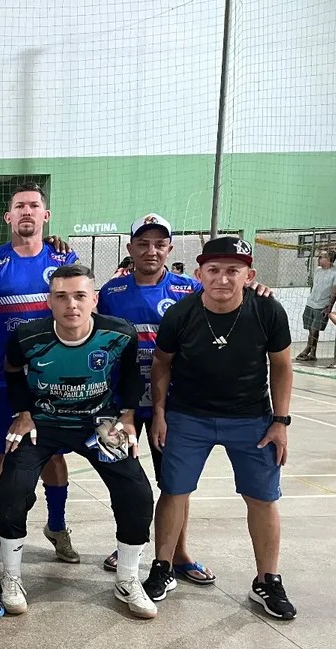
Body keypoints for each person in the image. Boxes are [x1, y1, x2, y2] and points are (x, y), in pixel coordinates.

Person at [146, 237, 296, 620]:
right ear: (199, 274)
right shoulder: (181, 314)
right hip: (188, 417)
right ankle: (162, 567)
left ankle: (267, 580)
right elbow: (161, 363)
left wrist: (280, 421)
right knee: (174, 491)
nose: (223, 279)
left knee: (262, 498)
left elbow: (281, 365)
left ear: (250, 274)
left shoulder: (267, 310)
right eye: (213, 270)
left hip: (252, 420)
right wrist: (160, 412)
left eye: (233, 270)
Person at [0, 264, 157, 618]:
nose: (71, 304)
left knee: (137, 492)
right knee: (12, 489)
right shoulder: (27, 336)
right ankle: (11, 577)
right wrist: (24, 411)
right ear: (49, 302)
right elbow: (12, 371)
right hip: (43, 423)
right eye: (62, 297)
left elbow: (132, 373)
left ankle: (127, 579)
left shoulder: (120, 333)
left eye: (80, 296)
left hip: (97, 424)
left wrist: (128, 414)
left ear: (94, 300)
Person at [0, 181, 80, 583]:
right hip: (0, 380)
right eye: (19, 206)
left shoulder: (64, 260)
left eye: (34, 205)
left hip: (49, 381)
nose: (27, 211)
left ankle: (56, 526)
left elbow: (81, 304)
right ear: (8, 217)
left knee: (52, 457)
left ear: (46, 215)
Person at [97, 214, 213, 585]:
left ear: (170, 249)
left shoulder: (189, 290)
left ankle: (178, 554)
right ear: (130, 248)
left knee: (175, 483)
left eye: (159, 244)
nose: (151, 251)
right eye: (143, 244)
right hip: (123, 405)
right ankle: (129, 544)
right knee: (125, 481)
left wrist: (257, 288)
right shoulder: (111, 293)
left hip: (172, 405)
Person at [297, 249, 336, 362]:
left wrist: (329, 306)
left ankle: (307, 349)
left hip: (322, 305)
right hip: (311, 303)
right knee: (311, 329)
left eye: (321, 257)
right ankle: (313, 353)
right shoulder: (318, 270)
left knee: (314, 329)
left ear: (329, 259)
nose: (318, 259)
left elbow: (335, 291)